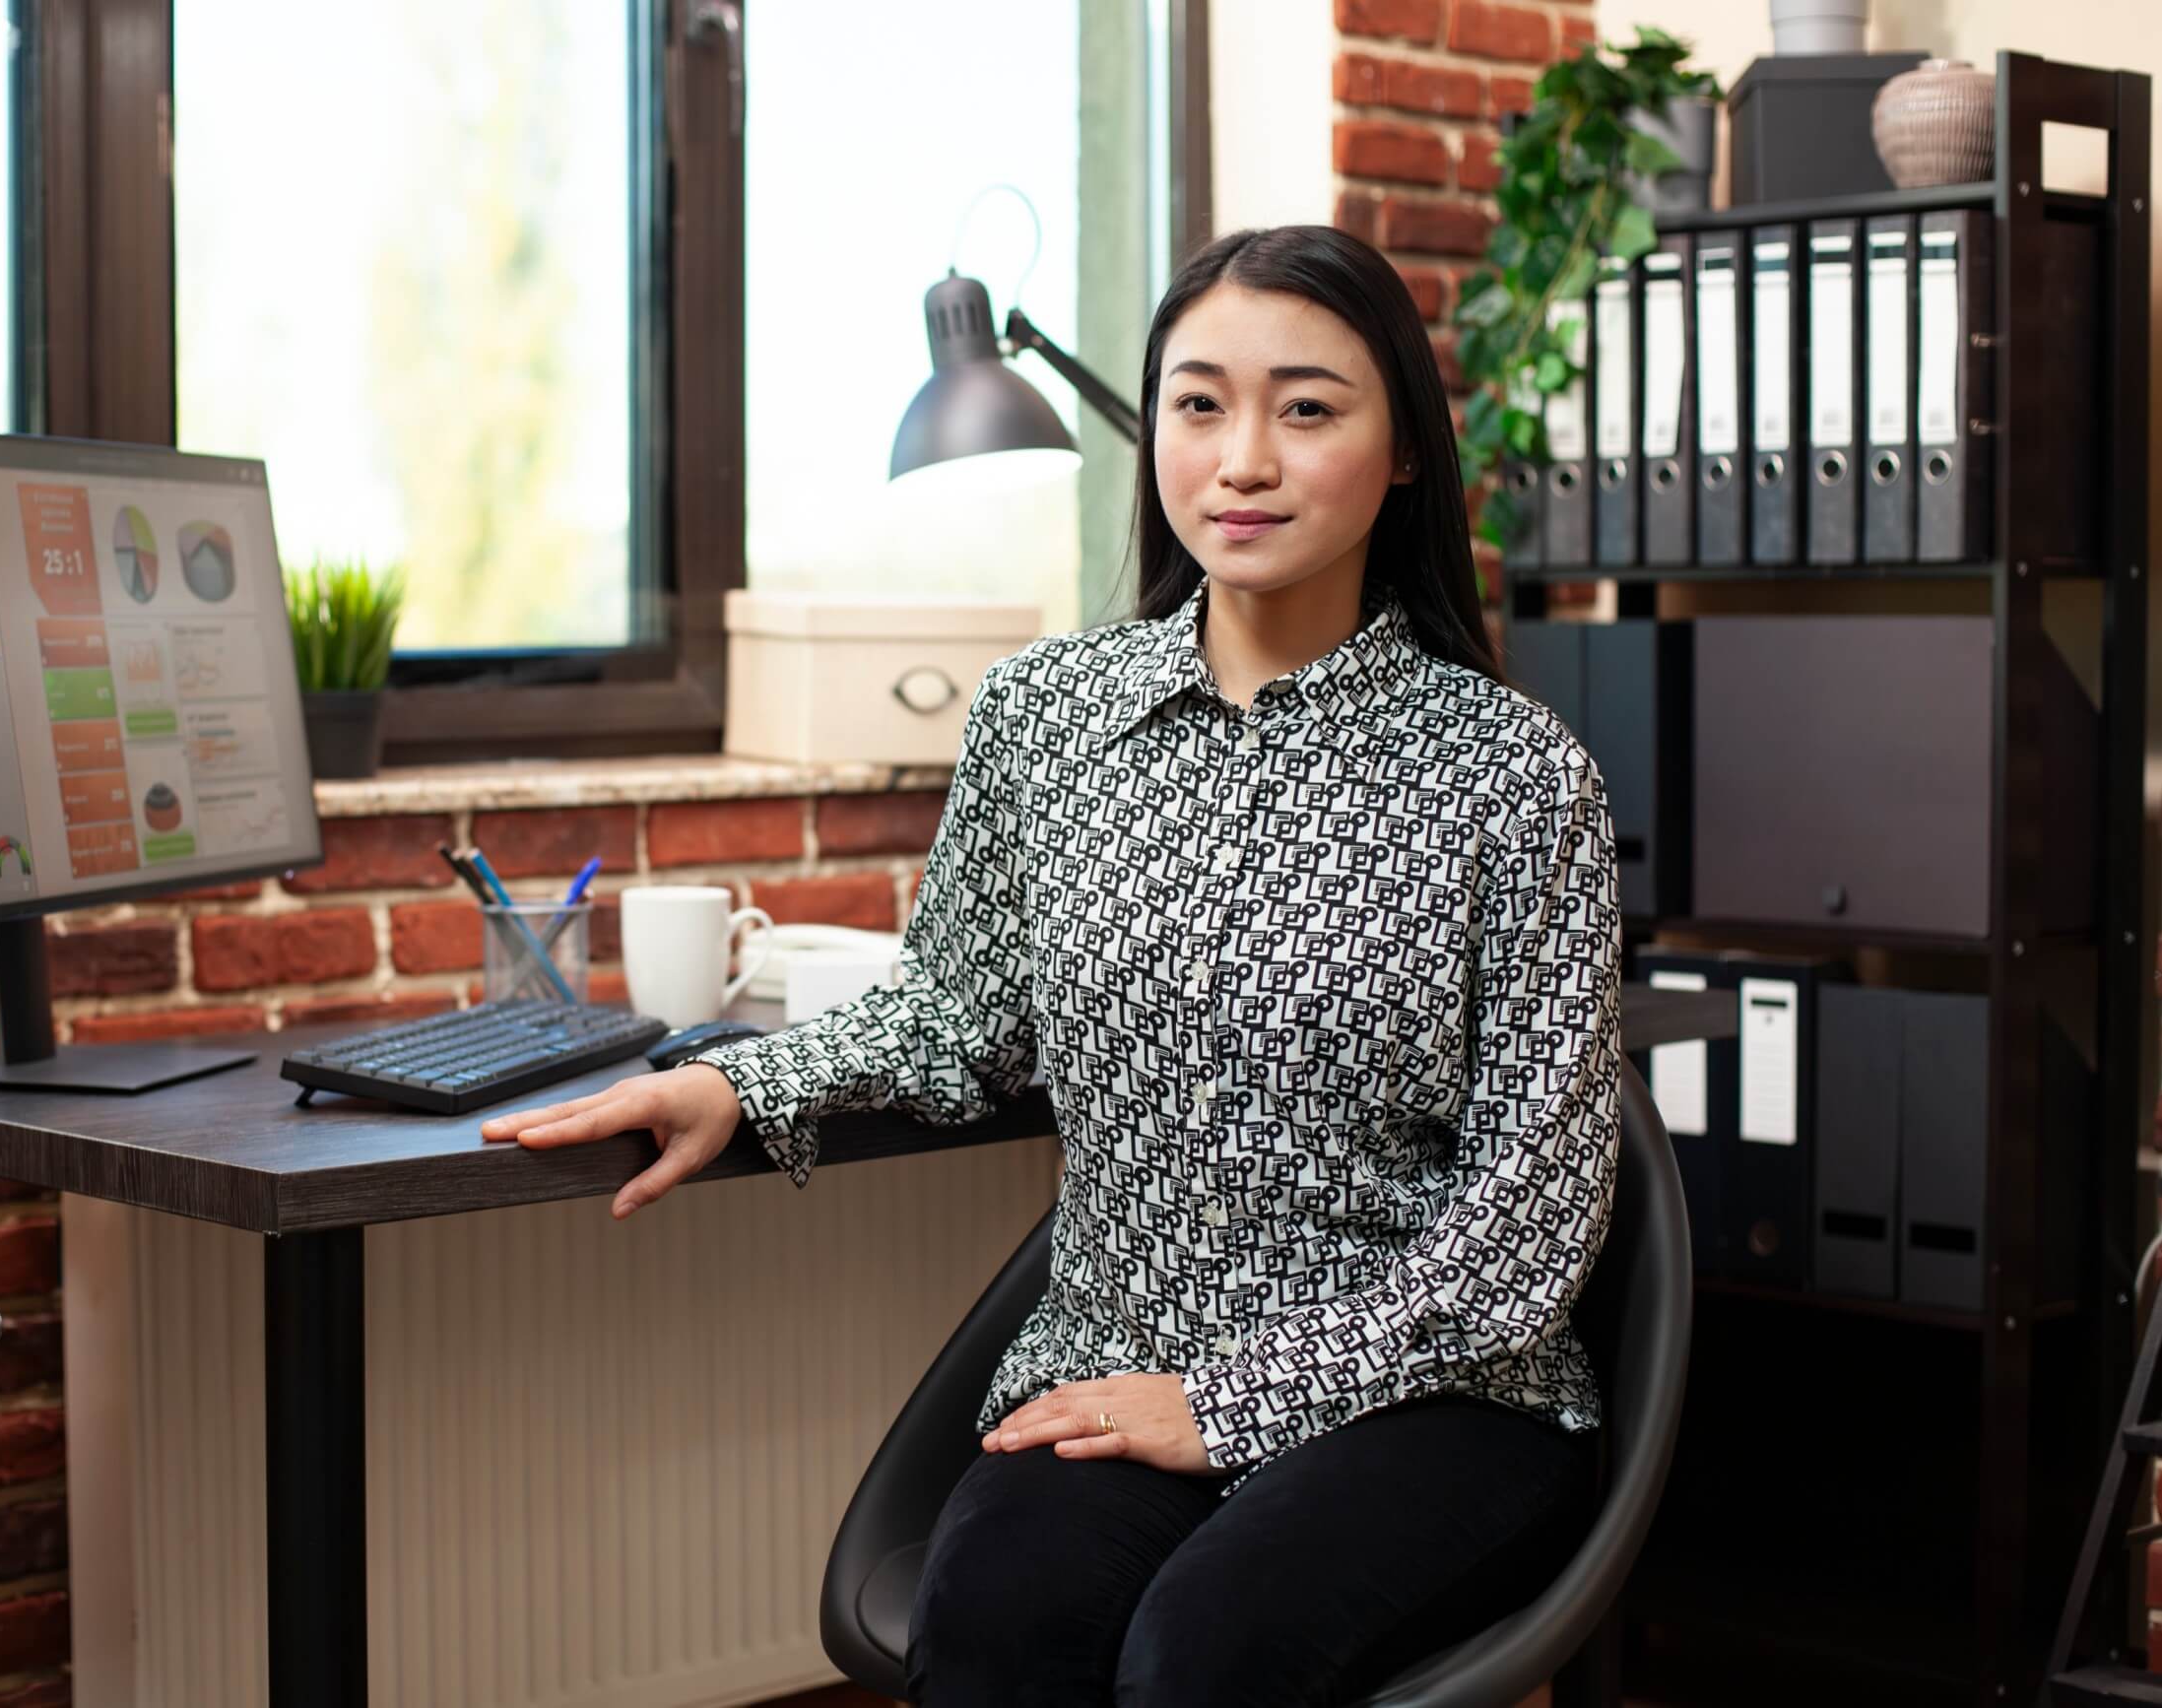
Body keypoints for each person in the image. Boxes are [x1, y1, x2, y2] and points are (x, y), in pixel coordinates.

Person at [482, 223, 1622, 1706]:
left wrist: (1226, 1403)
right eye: (1199, 404)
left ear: (1402, 448)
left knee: (1207, 1655)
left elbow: (1524, 1237)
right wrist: (735, 1089)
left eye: (1307, 407)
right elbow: (963, 1009)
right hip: (1117, 1349)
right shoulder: (1045, 718)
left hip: (1433, 1386)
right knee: (1002, 1626)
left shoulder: (1514, 777)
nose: (1242, 460)